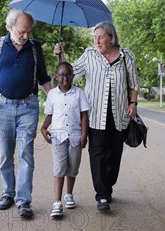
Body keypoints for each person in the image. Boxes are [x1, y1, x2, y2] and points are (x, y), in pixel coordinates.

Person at [55, 22, 139, 211]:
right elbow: (70, 73)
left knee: (114, 154)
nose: (97, 41)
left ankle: (108, 186)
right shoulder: (89, 55)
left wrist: (133, 103)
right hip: (95, 114)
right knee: (97, 153)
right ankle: (101, 195)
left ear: (111, 37)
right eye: (94, 37)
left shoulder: (127, 57)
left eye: (100, 37)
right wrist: (61, 55)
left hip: (119, 114)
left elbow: (134, 84)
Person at [0, 10, 52, 218]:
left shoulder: (35, 47)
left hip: (28, 106)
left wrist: (56, 101)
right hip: (2, 106)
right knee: (5, 153)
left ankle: (24, 200)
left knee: (26, 153)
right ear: (9, 27)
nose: (25, 36)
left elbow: (44, 77)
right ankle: (7, 193)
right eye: (21, 31)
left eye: (28, 32)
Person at [41, 62, 90, 218]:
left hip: (75, 135)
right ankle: (57, 202)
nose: (65, 78)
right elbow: (50, 115)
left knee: (73, 167)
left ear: (73, 77)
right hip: (58, 136)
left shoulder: (79, 93)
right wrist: (43, 128)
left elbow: (84, 115)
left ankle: (69, 194)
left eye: (68, 75)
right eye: (61, 75)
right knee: (59, 168)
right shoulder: (52, 95)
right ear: (57, 77)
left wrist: (84, 135)